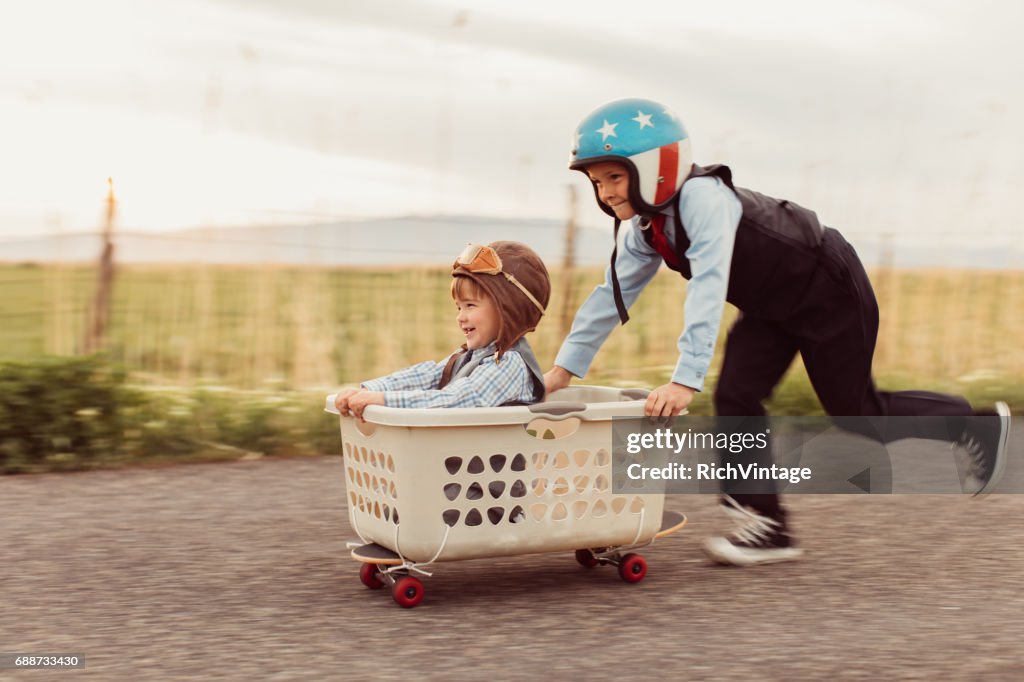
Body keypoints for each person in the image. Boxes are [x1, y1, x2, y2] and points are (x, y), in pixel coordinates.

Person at [544, 97, 1012, 566]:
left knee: (857, 413)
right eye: (596, 181)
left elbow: (707, 288)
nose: (604, 191)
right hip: (771, 307)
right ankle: (768, 526)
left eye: (614, 176)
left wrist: (686, 378)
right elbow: (610, 295)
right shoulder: (645, 228)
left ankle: (976, 425)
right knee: (735, 397)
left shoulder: (703, 199)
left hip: (827, 287)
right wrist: (562, 372)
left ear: (657, 166)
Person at [336, 241, 551, 421]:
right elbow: (429, 375)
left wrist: (384, 401)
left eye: (470, 306)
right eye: (459, 307)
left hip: (495, 469)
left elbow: (456, 401)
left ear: (508, 310)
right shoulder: (474, 356)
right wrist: (370, 391)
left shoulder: (509, 364)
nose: (460, 317)